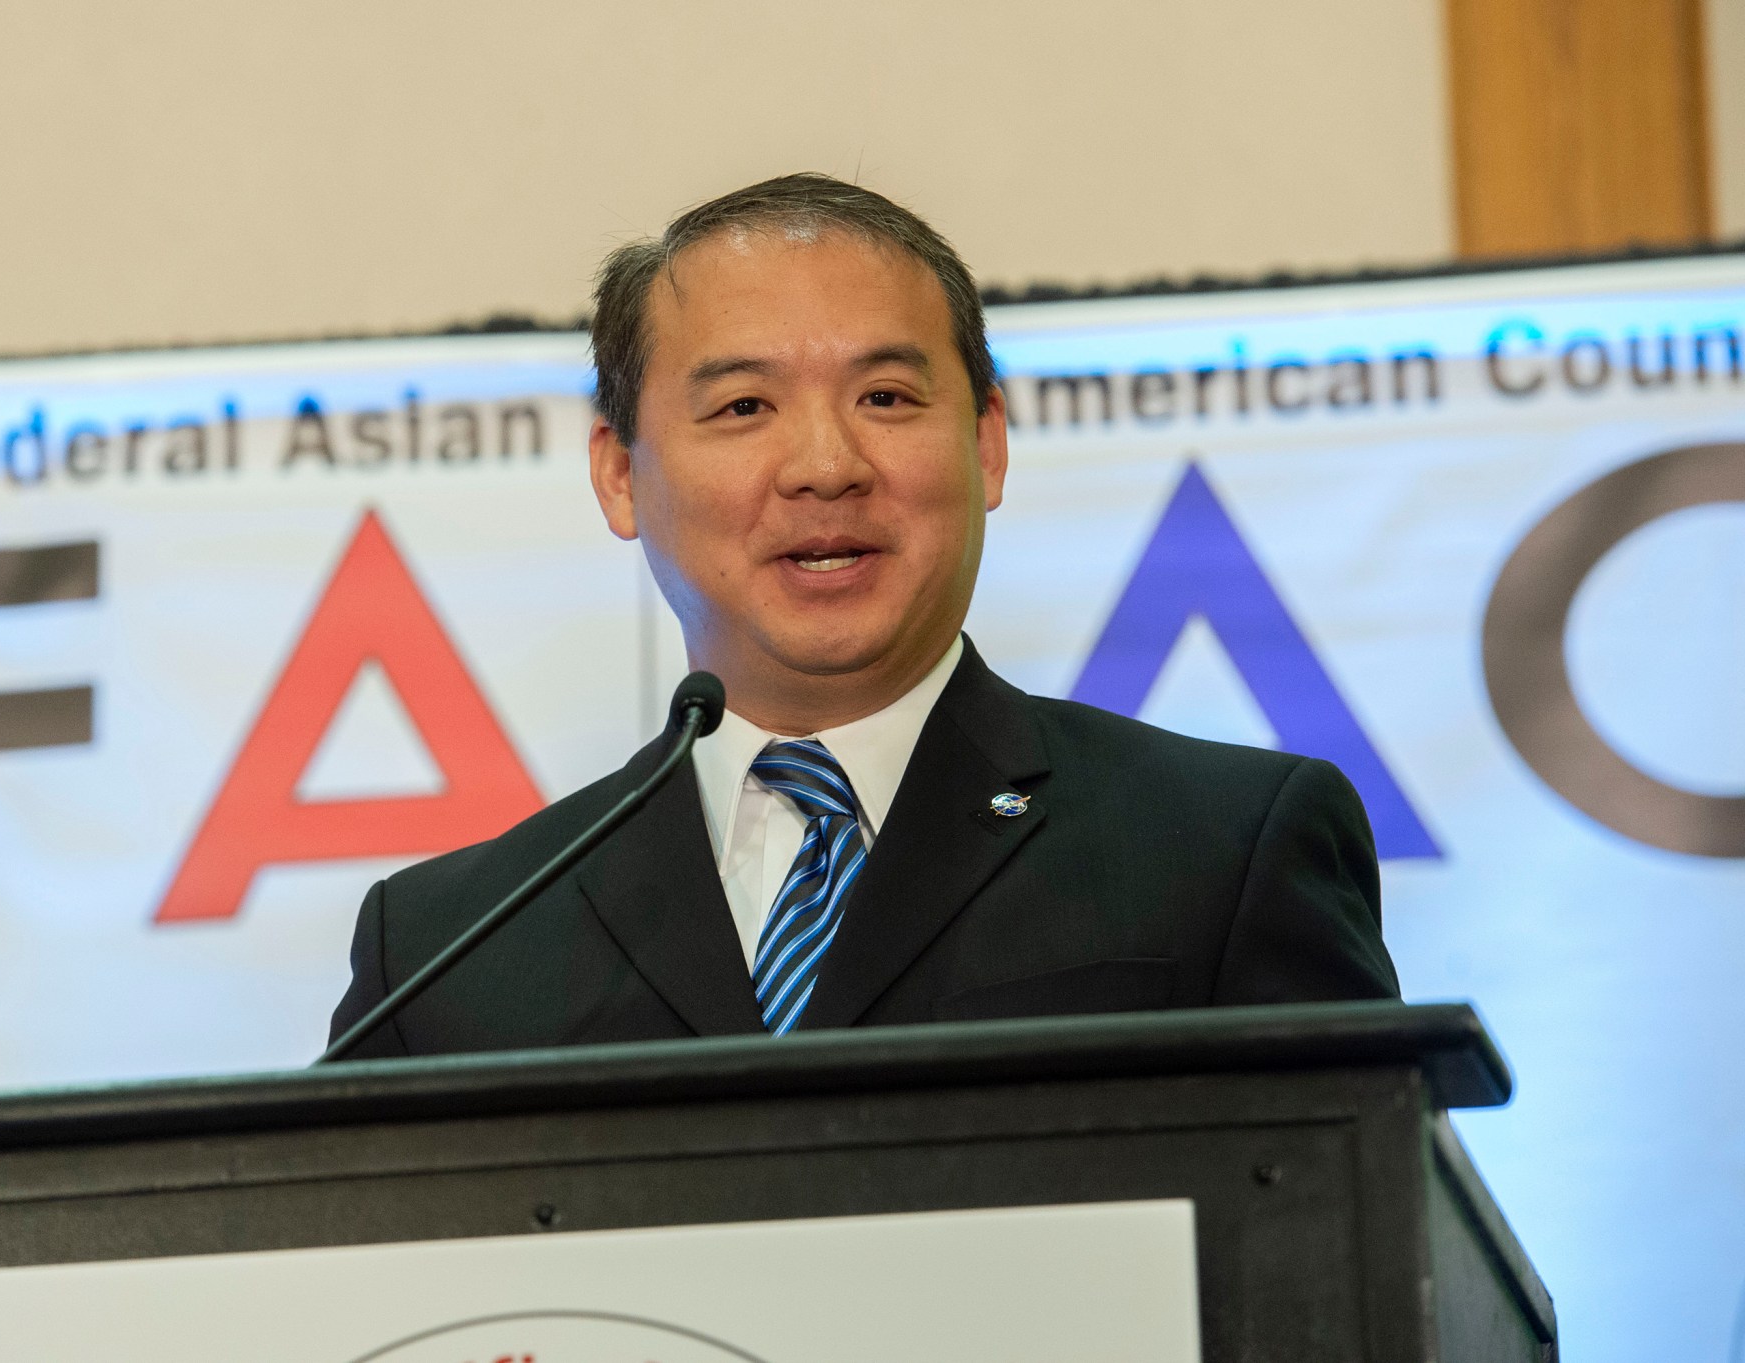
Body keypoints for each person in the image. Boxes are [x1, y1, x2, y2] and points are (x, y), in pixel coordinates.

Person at [328, 173, 1398, 1058]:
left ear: (985, 443)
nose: (826, 467)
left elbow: (1349, 1257)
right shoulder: (444, 954)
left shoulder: (1220, 848)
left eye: (884, 397)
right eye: (743, 407)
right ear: (618, 473)